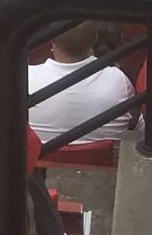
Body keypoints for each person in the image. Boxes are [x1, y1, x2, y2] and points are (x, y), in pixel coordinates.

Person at [27, 19, 135, 147]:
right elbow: (134, 122)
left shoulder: (26, 78)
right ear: (94, 39)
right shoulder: (118, 78)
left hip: (38, 161)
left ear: (52, 40)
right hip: (105, 162)